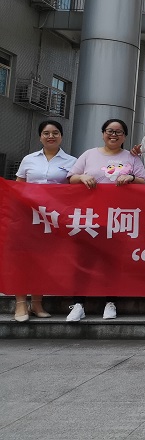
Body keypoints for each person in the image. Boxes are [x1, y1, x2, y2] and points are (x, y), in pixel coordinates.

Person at [67, 118, 145, 321]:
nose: (114, 135)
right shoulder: (89, 154)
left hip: (118, 218)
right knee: (83, 261)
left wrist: (131, 178)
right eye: (110, 131)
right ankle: (78, 304)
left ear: (125, 136)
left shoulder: (130, 158)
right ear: (103, 133)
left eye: (119, 132)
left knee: (111, 262)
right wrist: (82, 177)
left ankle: (110, 302)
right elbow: (71, 177)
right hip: (89, 217)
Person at [13, 120, 77, 322]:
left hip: (53, 219)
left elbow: (74, 190)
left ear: (61, 136)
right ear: (40, 136)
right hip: (28, 216)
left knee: (43, 260)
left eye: (55, 133)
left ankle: (37, 303)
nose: (51, 136)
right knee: (24, 259)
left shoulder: (72, 161)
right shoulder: (29, 159)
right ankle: (21, 303)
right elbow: (19, 185)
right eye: (46, 133)